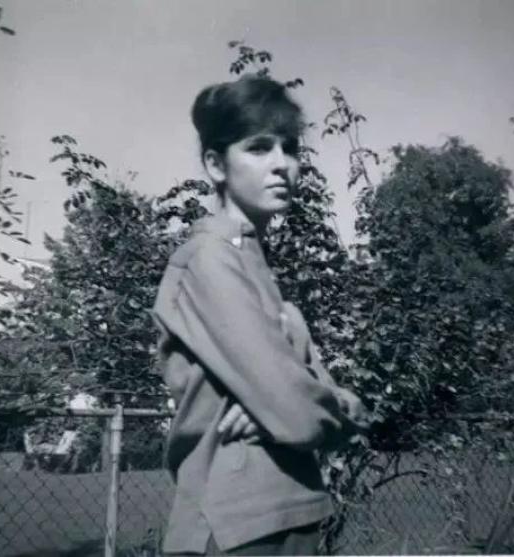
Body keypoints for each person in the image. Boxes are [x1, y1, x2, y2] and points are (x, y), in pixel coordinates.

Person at [151, 74, 367, 556]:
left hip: (291, 510)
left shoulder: (254, 265)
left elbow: (300, 401)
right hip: (236, 525)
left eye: (289, 148)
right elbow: (298, 412)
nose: (281, 165)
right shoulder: (208, 259)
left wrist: (289, 404)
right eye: (258, 148)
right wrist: (323, 408)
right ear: (216, 164)